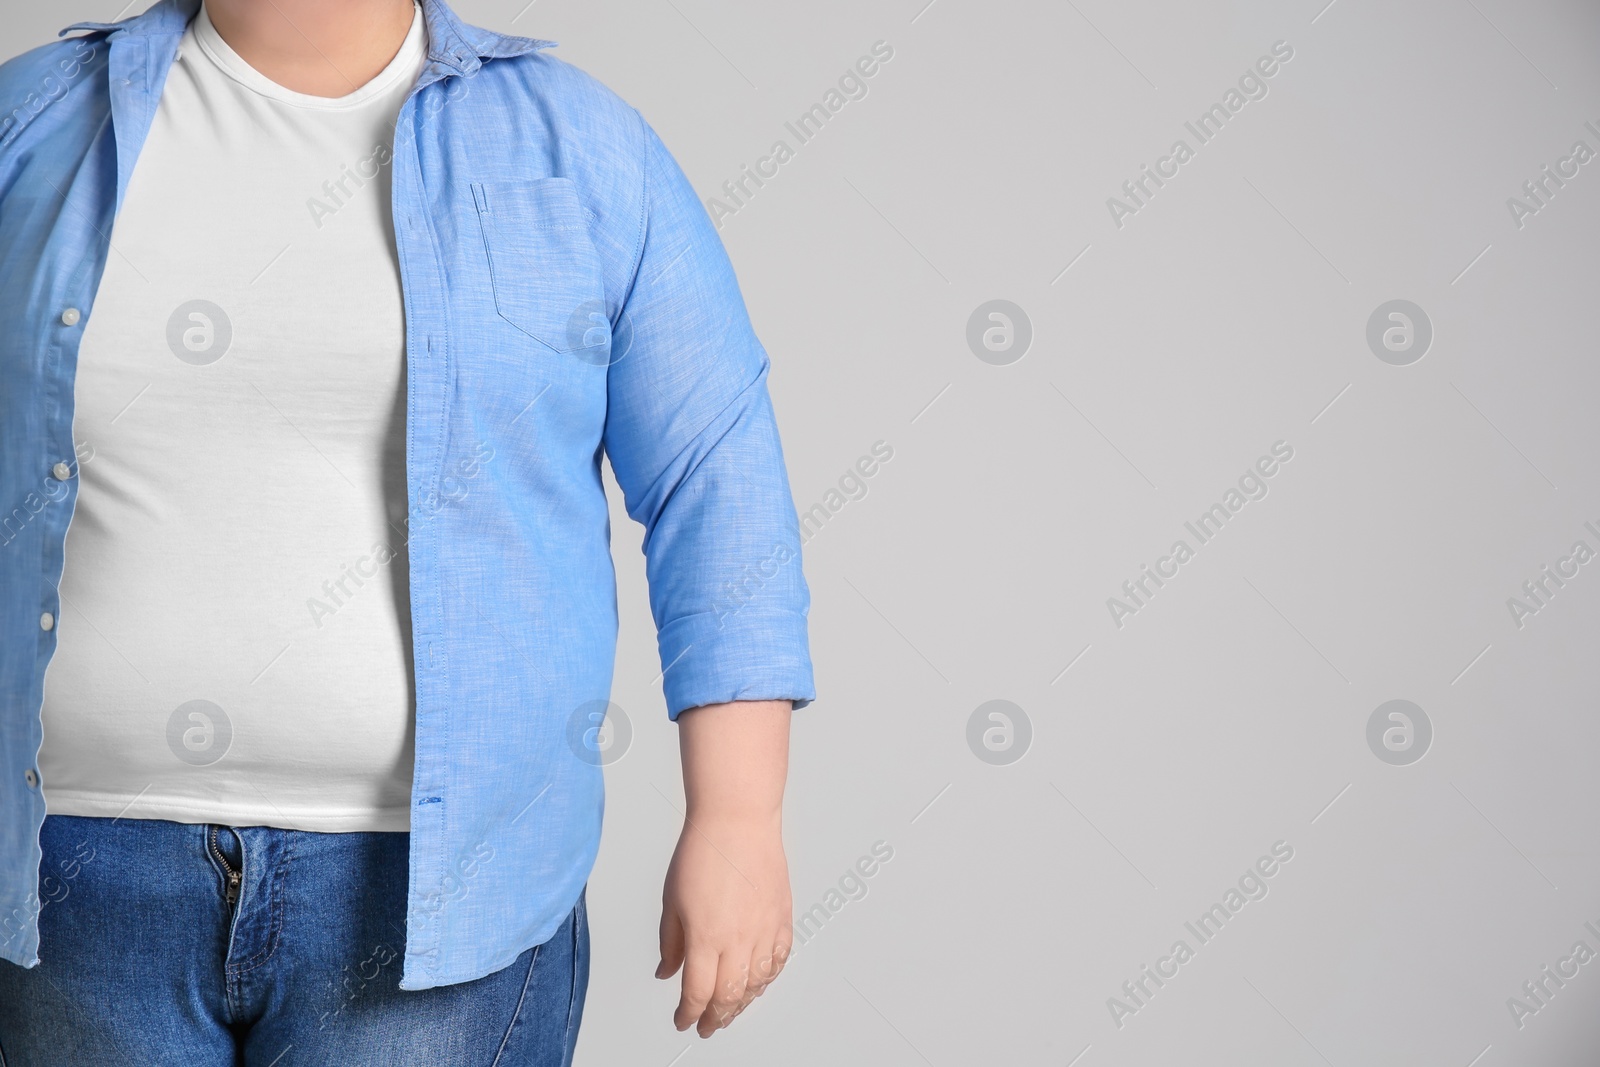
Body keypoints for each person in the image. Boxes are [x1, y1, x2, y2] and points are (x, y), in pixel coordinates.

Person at [0, 0, 815, 1062]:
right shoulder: (33, 124)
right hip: (66, 884)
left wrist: (739, 814)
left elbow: (718, 479)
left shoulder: (583, 152)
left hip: (449, 893)